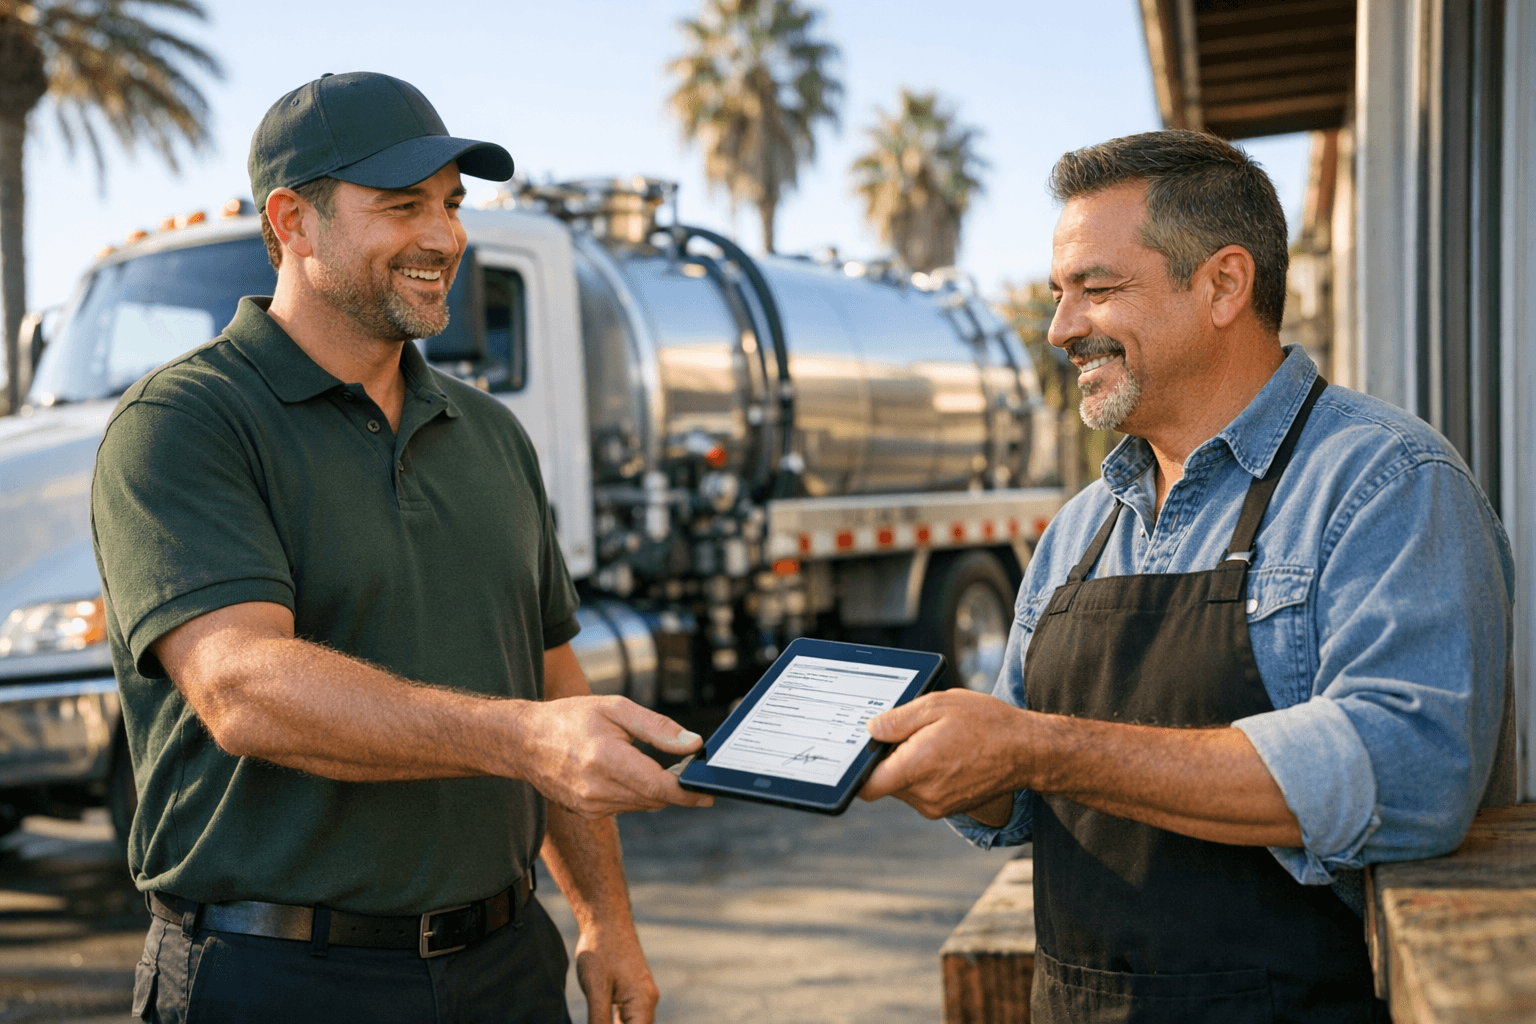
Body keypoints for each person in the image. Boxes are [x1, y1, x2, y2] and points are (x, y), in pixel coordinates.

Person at [91, 71, 710, 1024]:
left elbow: (553, 687)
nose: (445, 236)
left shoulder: (491, 435)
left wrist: (606, 922)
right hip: (275, 977)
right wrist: (522, 741)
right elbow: (243, 688)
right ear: (293, 221)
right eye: (403, 206)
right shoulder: (184, 422)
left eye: (453, 205)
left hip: (505, 967)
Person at [860, 130, 1514, 1023]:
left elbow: (1411, 770)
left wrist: (1041, 748)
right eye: (1060, 295)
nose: (1060, 329)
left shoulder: (1384, 482)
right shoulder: (1079, 529)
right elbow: (1015, 796)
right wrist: (951, 763)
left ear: (1222, 285)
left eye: (1097, 288)